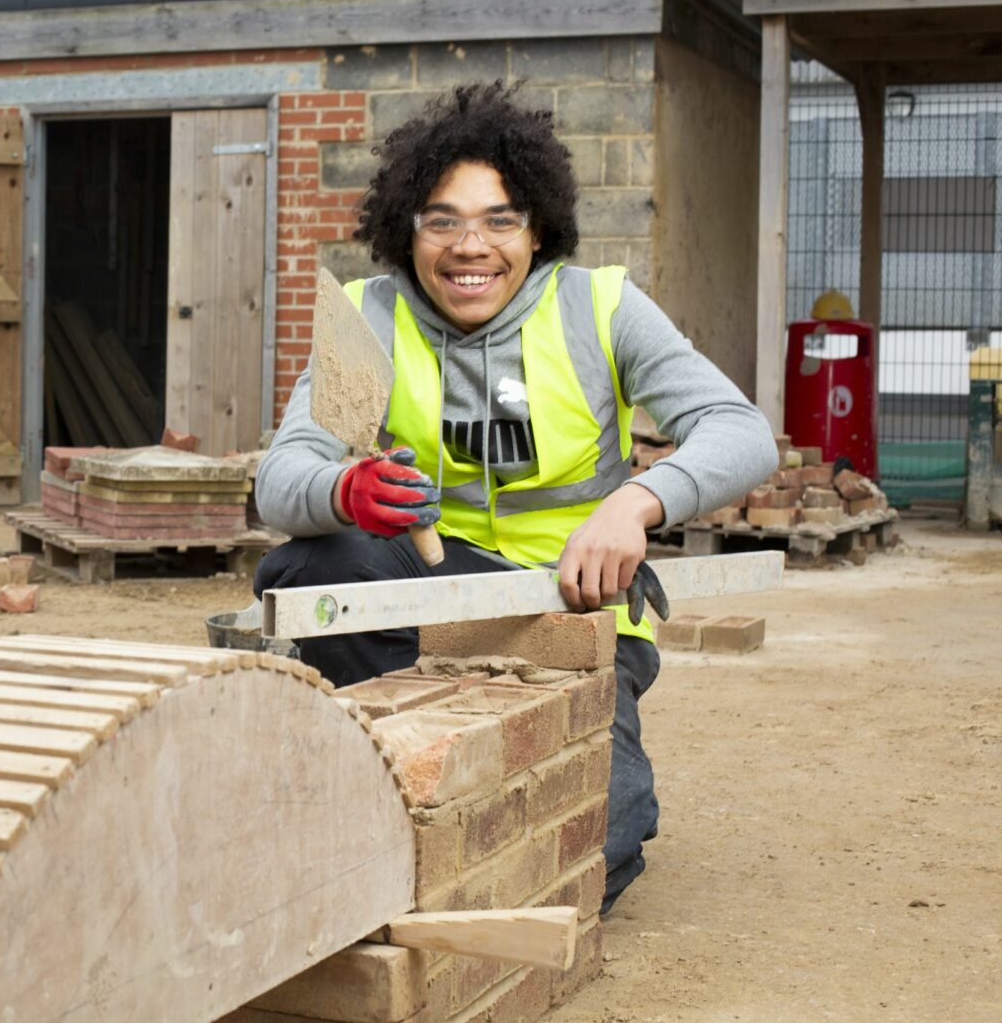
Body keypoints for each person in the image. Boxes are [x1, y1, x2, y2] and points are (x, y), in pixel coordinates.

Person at [253, 81, 777, 912]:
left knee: (606, 830)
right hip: (429, 604)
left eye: (500, 220)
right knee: (314, 561)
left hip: (575, 612)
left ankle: (463, 849)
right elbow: (278, 487)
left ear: (538, 230)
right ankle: (397, 778)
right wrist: (345, 490)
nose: (472, 247)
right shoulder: (367, 317)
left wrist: (634, 505)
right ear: (407, 231)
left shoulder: (598, 307)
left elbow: (741, 431)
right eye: (442, 220)